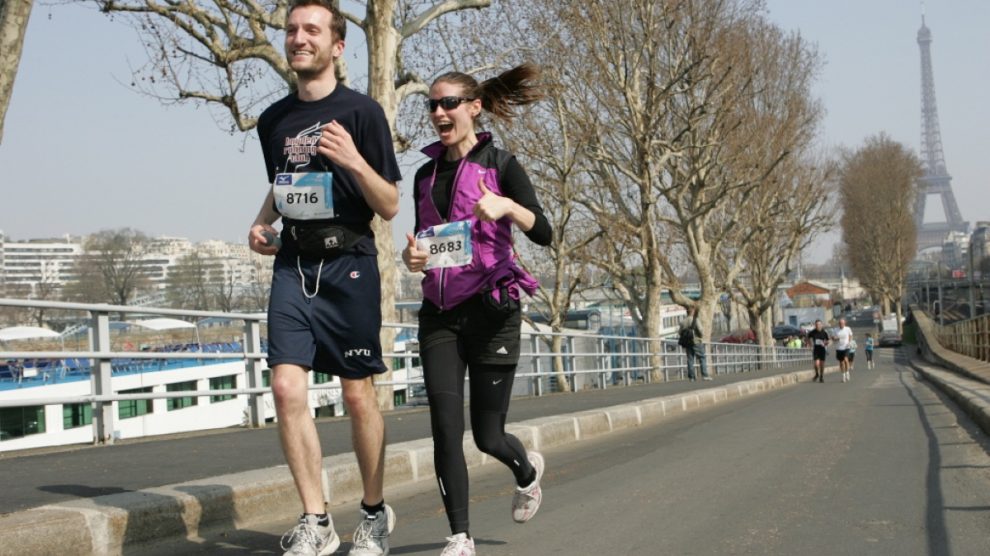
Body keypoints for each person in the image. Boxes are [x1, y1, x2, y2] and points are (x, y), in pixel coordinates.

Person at [247, 1, 401, 554]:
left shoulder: (362, 114)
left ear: (337, 46)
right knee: (287, 387)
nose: (297, 38)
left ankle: (374, 511)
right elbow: (285, 184)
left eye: (311, 30)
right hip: (292, 265)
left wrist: (355, 161)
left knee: (357, 396)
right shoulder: (272, 121)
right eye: (291, 30)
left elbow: (388, 205)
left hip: (350, 265)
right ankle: (317, 519)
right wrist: (262, 223)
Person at [401, 64, 552, 556]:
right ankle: (460, 537)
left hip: (491, 310)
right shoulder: (424, 176)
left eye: (449, 103)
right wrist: (413, 259)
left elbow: (544, 230)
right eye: (432, 105)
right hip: (439, 313)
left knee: (489, 437)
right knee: (445, 427)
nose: (439, 113)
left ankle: (526, 472)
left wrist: (507, 207)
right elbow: (426, 244)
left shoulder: (501, 164)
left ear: (473, 107)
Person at [678, 307, 712, 381]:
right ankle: (705, 375)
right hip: (696, 341)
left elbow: (680, 332)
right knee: (702, 358)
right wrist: (701, 336)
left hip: (687, 343)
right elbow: (700, 330)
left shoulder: (683, 322)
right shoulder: (695, 320)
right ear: (692, 312)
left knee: (690, 359)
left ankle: (692, 377)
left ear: (687, 312)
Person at [832, 317, 853, 383]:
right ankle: (843, 376)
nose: (841, 324)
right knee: (841, 362)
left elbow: (850, 335)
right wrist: (835, 338)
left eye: (842, 323)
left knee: (846, 360)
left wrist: (849, 342)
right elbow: (833, 338)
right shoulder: (835, 330)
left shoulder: (848, 329)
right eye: (840, 323)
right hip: (839, 348)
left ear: (844, 323)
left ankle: (847, 373)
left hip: (846, 347)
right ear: (839, 324)